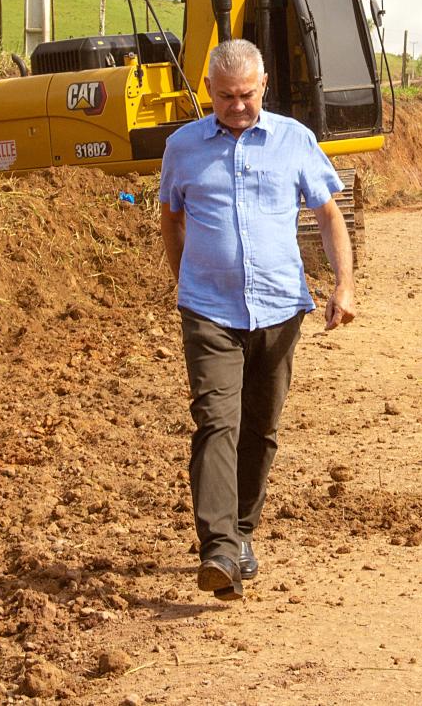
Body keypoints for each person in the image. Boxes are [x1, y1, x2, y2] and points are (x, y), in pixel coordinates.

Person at [158, 38, 356, 601]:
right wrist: (185, 281)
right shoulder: (183, 147)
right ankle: (218, 547)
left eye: (246, 95)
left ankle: (242, 531)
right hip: (209, 311)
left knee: (260, 428)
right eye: (225, 97)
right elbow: (170, 217)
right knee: (217, 422)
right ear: (209, 92)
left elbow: (328, 213)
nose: (237, 106)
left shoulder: (295, 140)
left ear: (263, 86)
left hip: (278, 308)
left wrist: (345, 284)